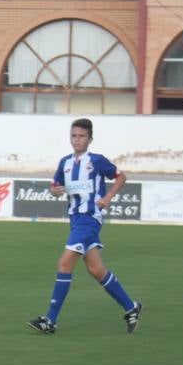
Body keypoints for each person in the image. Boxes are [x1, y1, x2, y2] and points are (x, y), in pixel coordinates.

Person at [27, 118, 142, 335]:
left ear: (90, 139)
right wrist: (54, 190)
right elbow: (55, 185)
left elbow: (121, 177)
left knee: (64, 264)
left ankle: (50, 320)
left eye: (81, 136)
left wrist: (107, 197)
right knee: (96, 270)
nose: (77, 140)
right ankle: (131, 307)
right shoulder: (65, 163)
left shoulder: (97, 161)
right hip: (75, 220)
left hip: (90, 217)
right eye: (74, 136)